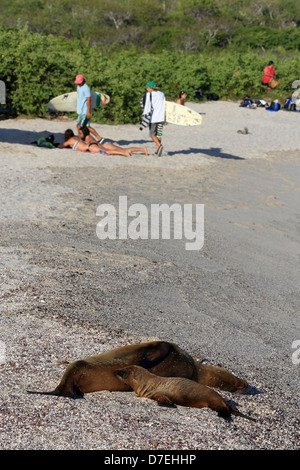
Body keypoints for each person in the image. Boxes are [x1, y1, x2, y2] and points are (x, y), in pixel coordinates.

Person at [78, 126, 149, 157]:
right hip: (105, 144)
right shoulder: (89, 136)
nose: (79, 134)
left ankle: (126, 153)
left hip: (103, 146)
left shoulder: (87, 138)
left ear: (84, 133)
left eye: (80, 133)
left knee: (119, 151)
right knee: (124, 149)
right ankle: (142, 149)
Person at [74, 74, 103, 140]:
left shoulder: (86, 88)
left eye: (79, 83)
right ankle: (85, 139)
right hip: (80, 111)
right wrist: (77, 108)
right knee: (81, 126)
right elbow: (79, 98)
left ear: (82, 81)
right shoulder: (78, 87)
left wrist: (88, 112)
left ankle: (97, 138)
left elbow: (89, 100)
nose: (78, 84)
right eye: (77, 83)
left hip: (85, 111)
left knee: (82, 127)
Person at [141, 81, 165, 156]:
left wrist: (144, 115)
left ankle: (159, 145)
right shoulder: (162, 94)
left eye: (147, 88)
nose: (146, 89)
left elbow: (146, 105)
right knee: (159, 134)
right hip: (161, 117)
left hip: (154, 117)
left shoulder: (149, 95)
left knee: (151, 134)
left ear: (151, 88)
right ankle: (157, 151)